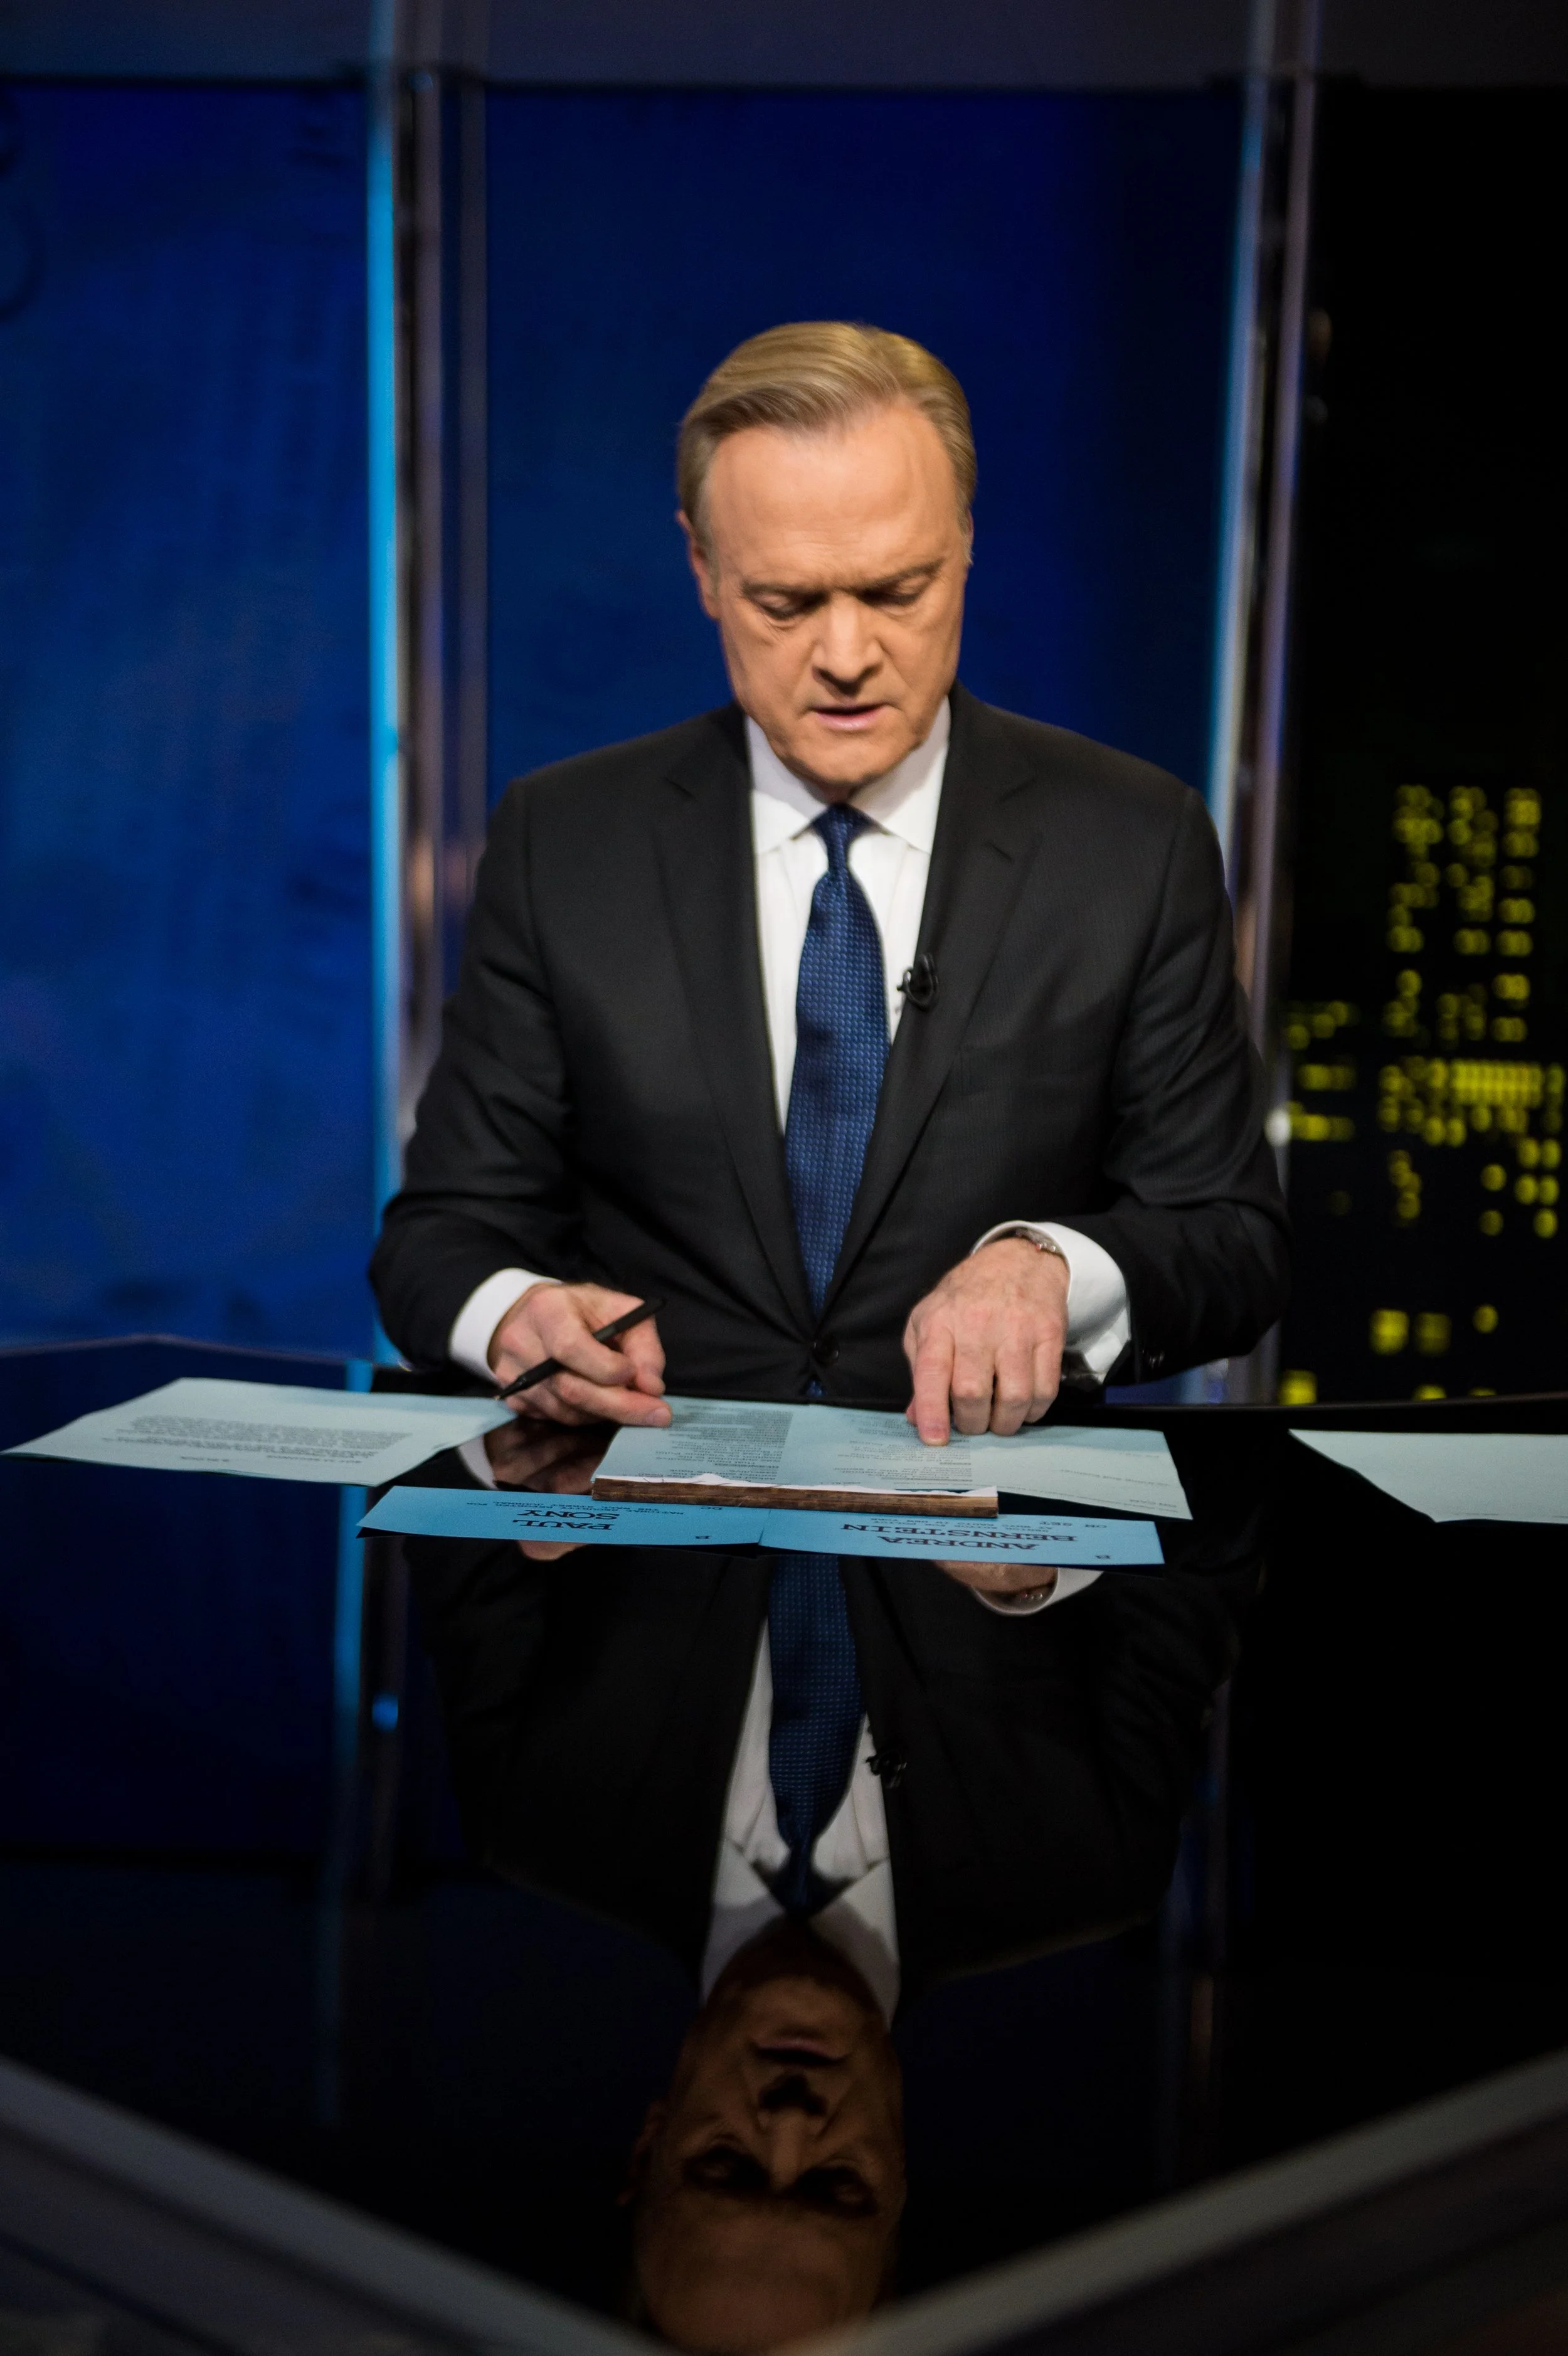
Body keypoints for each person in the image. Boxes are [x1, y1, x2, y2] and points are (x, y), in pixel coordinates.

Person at [369, 321, 1289, 1435]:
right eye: (788, 603)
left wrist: (1054, 1265)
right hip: (656, 1566)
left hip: (987, 1570)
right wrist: (519, 1317)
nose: (848, 656)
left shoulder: (1132, 845)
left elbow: (1232, 1241)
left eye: (898, 592)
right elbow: (440, 1238)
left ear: (964, 548)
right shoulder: (563, 842)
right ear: (705, 571)